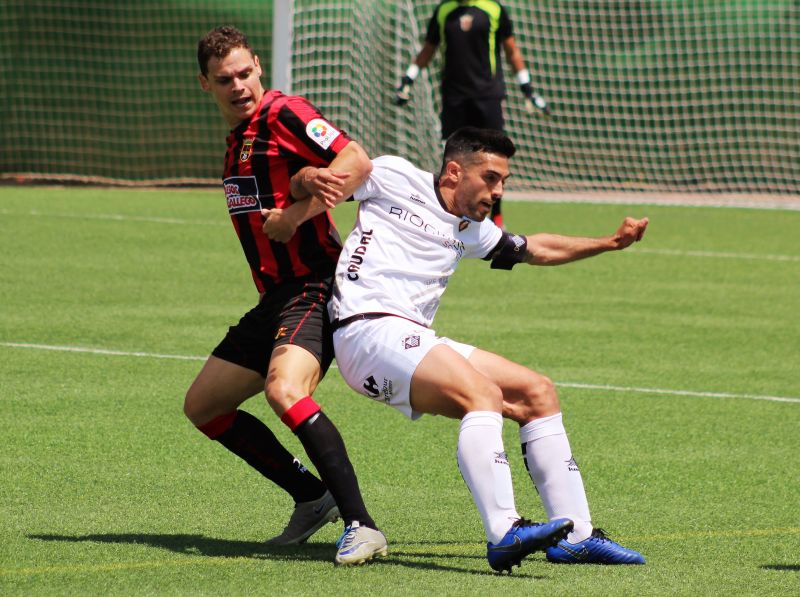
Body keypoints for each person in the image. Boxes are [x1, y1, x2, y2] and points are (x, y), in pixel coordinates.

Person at [327, 127, 648, 571]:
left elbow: (536, 248)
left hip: (412, 337)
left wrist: (609, 244)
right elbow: (334, 178)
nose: (497, 191)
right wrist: (298, 192)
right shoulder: (393, 176)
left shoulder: (473, 230)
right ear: (455, 171)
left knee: (537, 391)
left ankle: (576, 534)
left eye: (504, 182)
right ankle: (503, 532)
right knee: (484, 395)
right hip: (364, 332)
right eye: (491, 178)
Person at [186, 25, 387, 566]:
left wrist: (296, 214)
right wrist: (299, 187)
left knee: (285, 391)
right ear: (205, 85)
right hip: (275, 296)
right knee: (204, 407)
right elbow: (297, 178)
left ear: (259, 67)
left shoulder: (283, 112)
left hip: (316, 284)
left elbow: (357, 161)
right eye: (224, 78)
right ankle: (310, 496)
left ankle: (362, 525)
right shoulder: (238, 140)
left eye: (245, 72)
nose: (239, 85)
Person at [393, 0, 548, 229]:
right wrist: (408, 79)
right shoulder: (444, 11)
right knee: (452, 158)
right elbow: (428, 48)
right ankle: (448, 215)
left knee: (494, 157)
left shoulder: (493, 9)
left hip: (488, 96)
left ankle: (496, 219)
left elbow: (511, 49)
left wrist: (528, 90)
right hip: (454, 97)